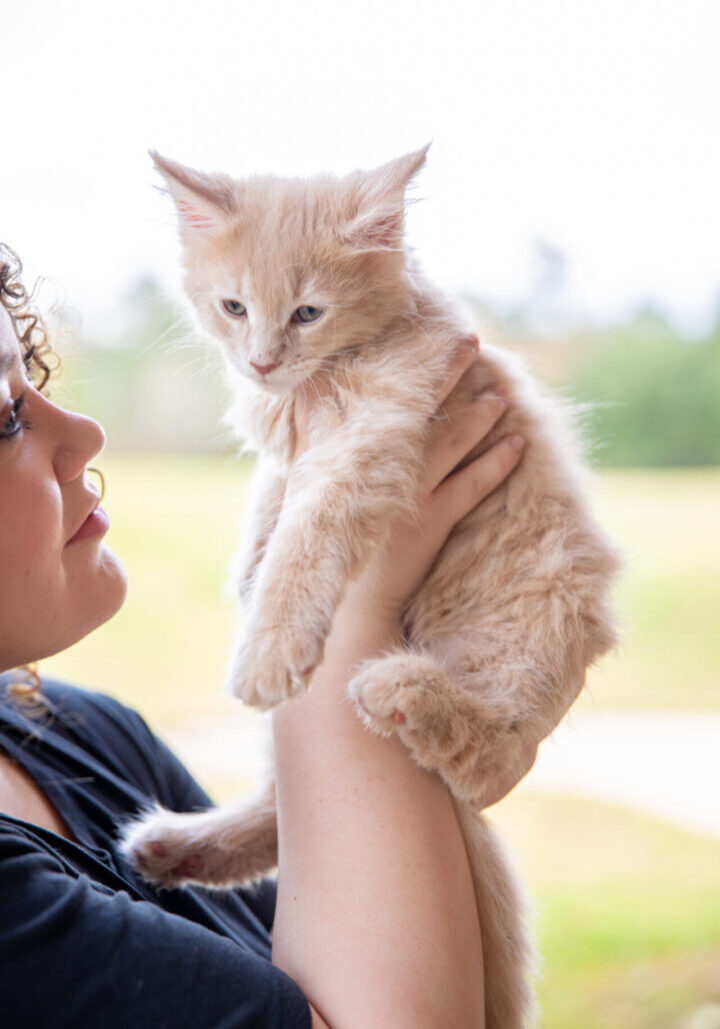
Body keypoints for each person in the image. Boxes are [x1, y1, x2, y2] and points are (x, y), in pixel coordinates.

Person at [0, 244, 534, 1029]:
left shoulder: (82, 732)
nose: (84, 433)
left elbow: (369, 955)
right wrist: (344, 597)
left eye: (32, 384)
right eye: (7, 418)